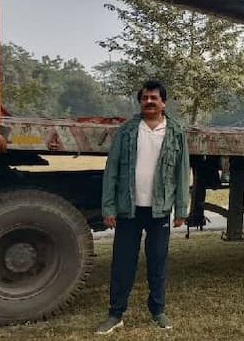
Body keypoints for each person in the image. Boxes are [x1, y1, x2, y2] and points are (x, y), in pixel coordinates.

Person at [95, 80, 190, 335]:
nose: (149, 101)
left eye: (154, 98)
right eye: (145, 97)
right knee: (123, 263)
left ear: (163, 103)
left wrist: (181, 209)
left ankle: (158, 310)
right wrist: (109, 207)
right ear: (140, 102)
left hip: (159, 209)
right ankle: (115, 314)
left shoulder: (176, 132)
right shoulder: (127, 131)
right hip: (129, 209)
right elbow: (111, 170)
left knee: (157, 262)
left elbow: (182, 173)